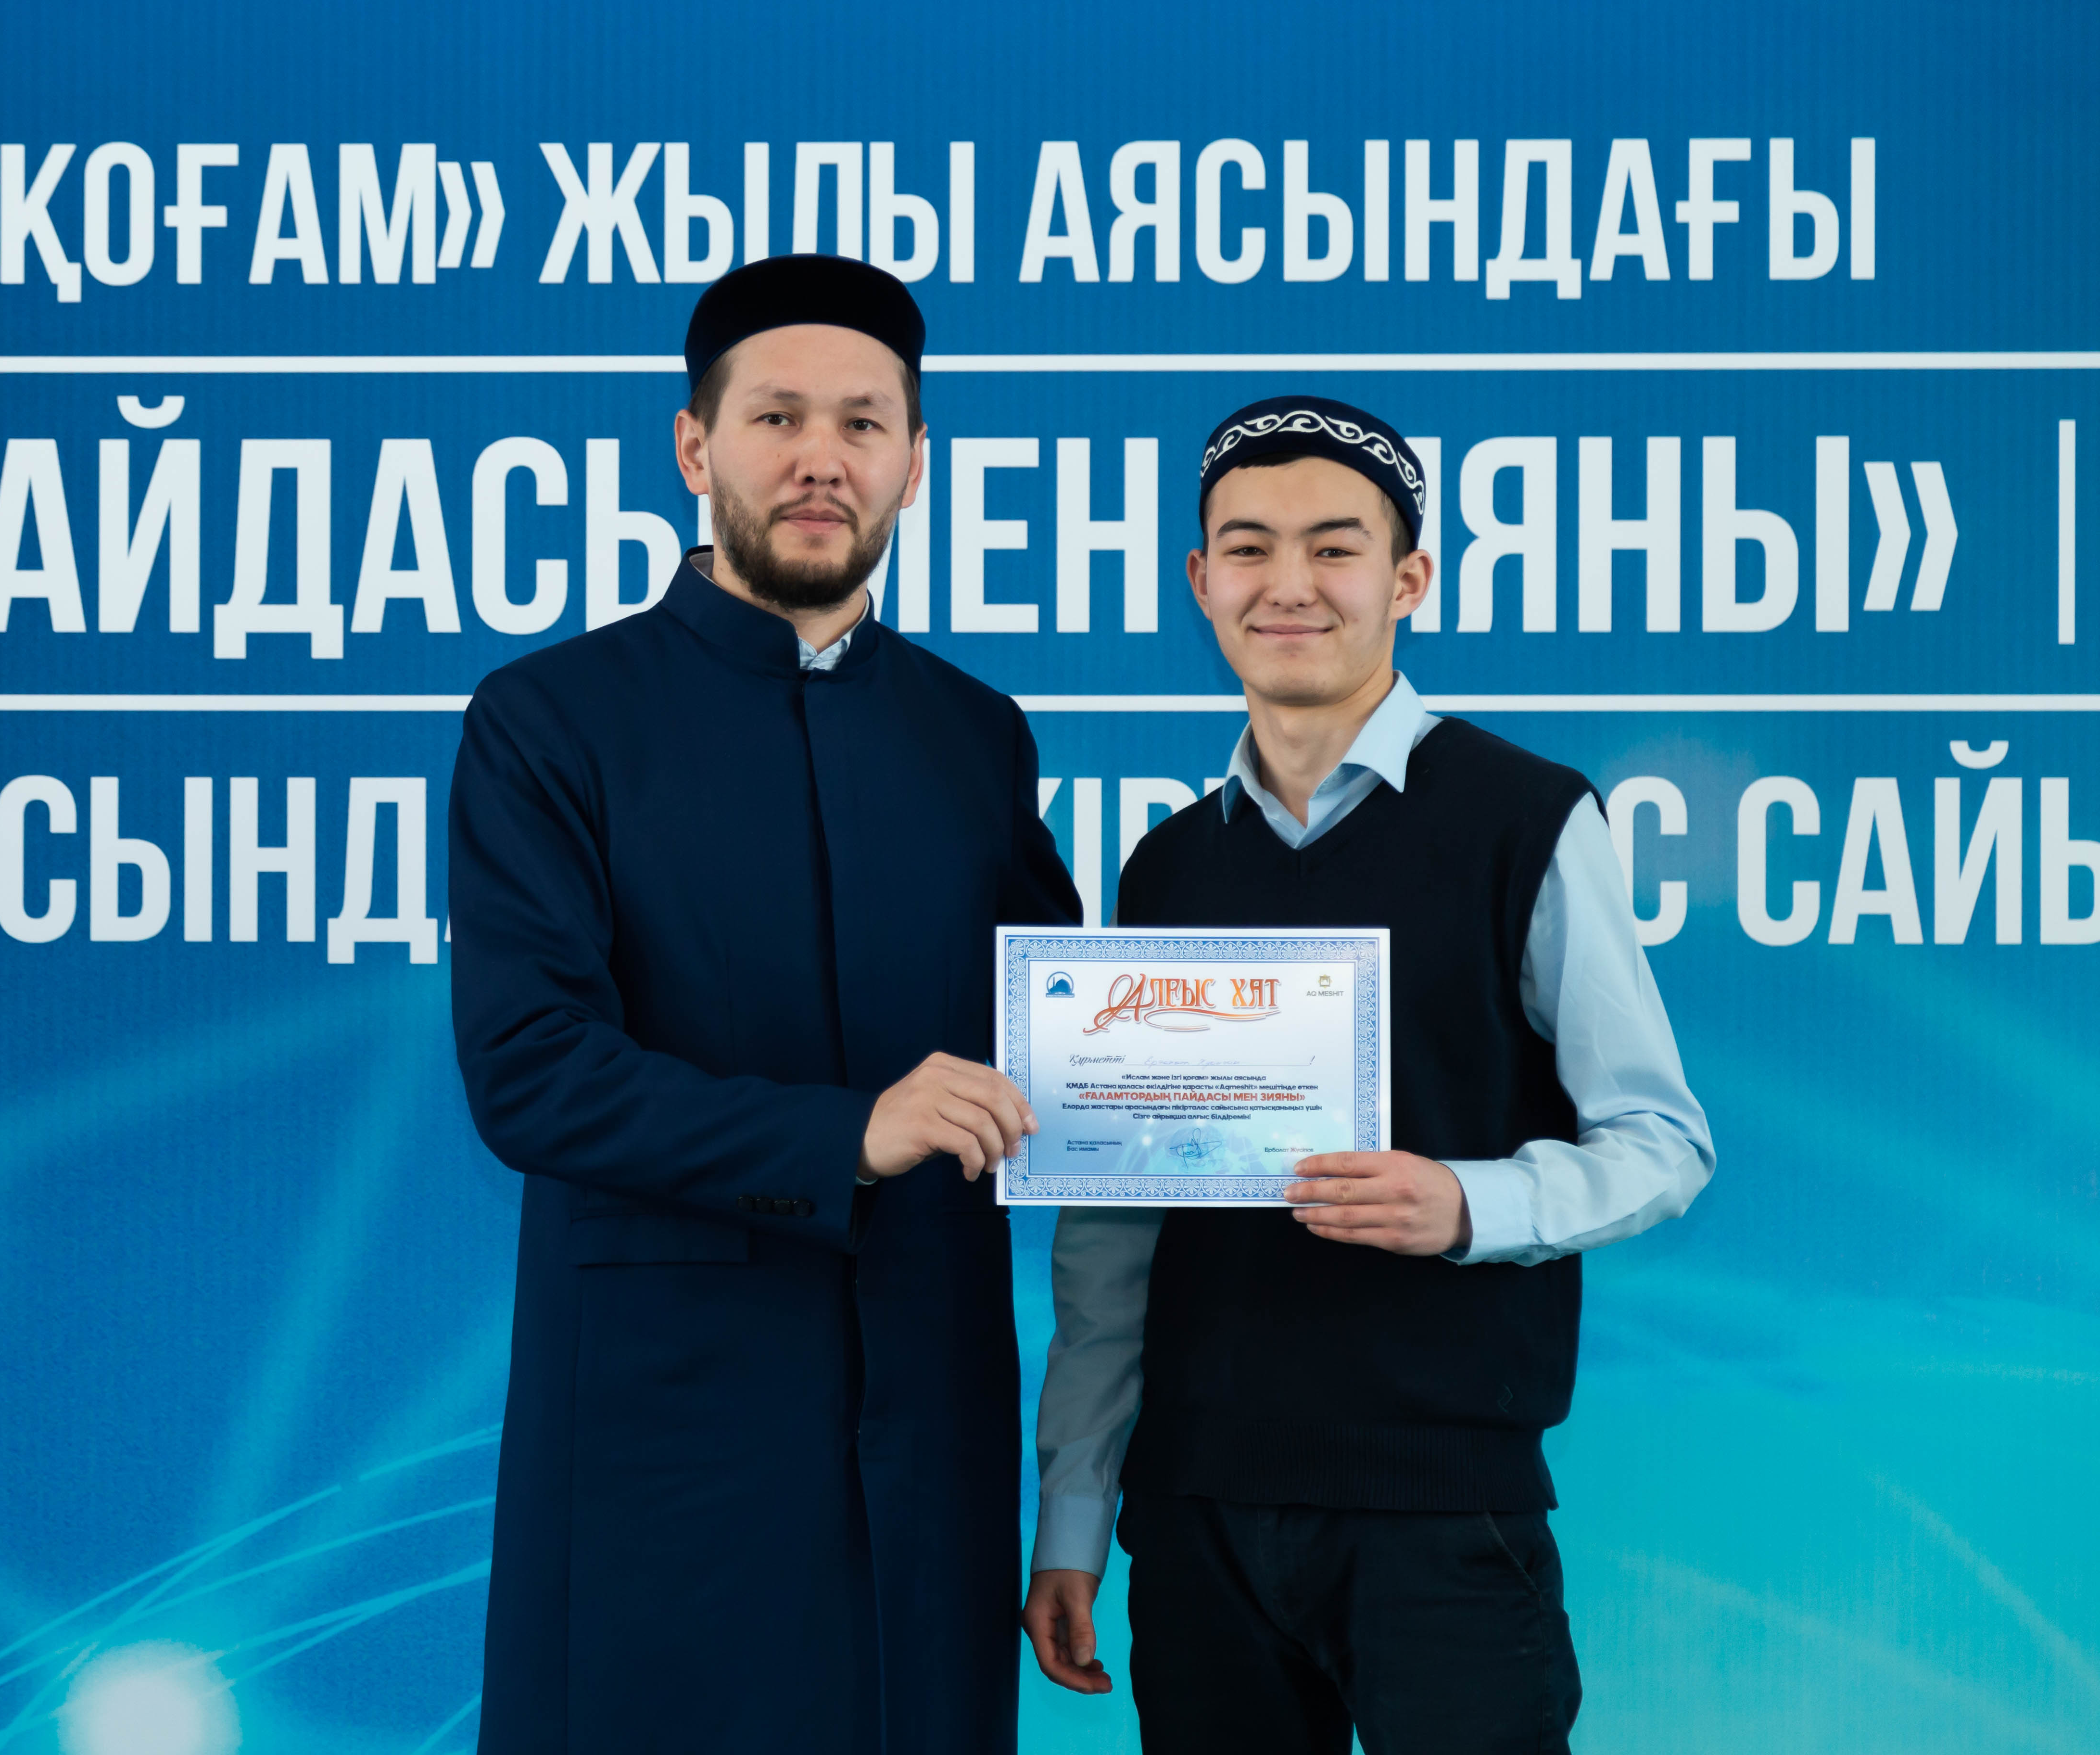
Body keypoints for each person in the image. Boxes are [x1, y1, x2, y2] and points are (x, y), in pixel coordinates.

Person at [450, 254, 1080, 1755]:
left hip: (928, 1413)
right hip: (667, 1433)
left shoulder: (974, 735)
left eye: (864, 424)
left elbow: (1058, 1036)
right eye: (777, 417)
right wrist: (850, 1134)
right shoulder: (550, 721)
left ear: (915, 462)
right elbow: (532, 1069)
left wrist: (1255, 1073)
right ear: (695, 446)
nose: (821, 459)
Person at [1019, 396, 1716, 1753]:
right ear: (1200, 581)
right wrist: (1076, 1517)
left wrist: (1468, 1204)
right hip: (1198, 1519)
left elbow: (1661, 1139)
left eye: (1335, 548)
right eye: (1248, 548)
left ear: (1409, 581)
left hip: (1441, 1518)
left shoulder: (1526, 819)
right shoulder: (1168, 867)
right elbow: (1113, 1230)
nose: (1289, 584)